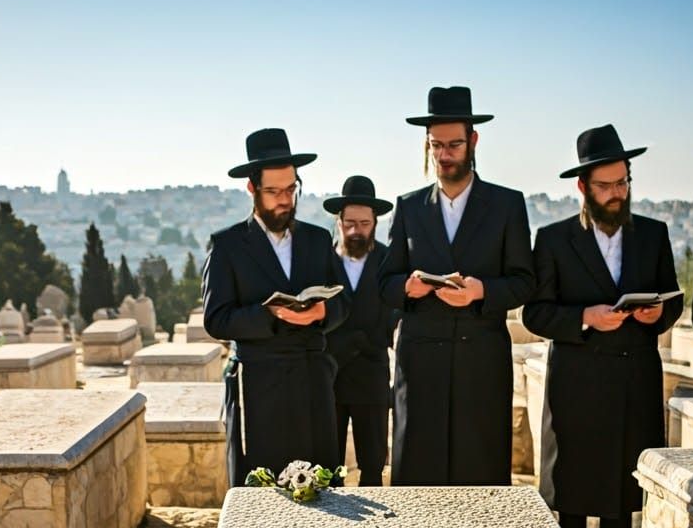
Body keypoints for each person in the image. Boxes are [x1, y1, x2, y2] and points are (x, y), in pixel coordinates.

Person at [523, 125, 682, 528]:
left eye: (623, 183)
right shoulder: (553, 239)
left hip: (634, 380)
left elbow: (673, 299)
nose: (616, 194)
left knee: (622, 485)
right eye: (606, 185)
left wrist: (659, 316)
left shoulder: (653, 234)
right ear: (583, 187)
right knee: (572, 486)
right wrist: (586, 318)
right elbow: (535, 313)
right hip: (577, 381)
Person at [378, 85, 535, 484]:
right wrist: (408, 288)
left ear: (474, 141)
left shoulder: (507, 204)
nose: (445, 155)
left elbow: (524, 282)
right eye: (436, 146)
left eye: (454, 145)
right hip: (420, 362)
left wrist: (481, 291)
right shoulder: (409, 205)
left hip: (480, 362)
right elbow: (385, 282)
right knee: (417, 474)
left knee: (480, 475)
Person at [202, 128, 350, 483]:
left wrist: (323, 312)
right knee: (262, 489)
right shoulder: (227, 246)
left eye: (290, 189)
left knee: (322, 487)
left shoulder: (317, 239)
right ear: (252, 189)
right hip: (258, 388)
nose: (284, 200)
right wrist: (269, 315)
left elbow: (344, 302)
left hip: (312, 380)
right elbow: (217, 319)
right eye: (273, 191)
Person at [323, 176, 395, 486]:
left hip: (372, 374)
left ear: (375, 223)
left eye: (364, 223)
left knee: (373, 463)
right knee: (328, 465)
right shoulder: (321, 260)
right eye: (350, 223)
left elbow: (396, 312)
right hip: (330, 375)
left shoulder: (390, 260)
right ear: (338, 222)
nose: (356, 231)